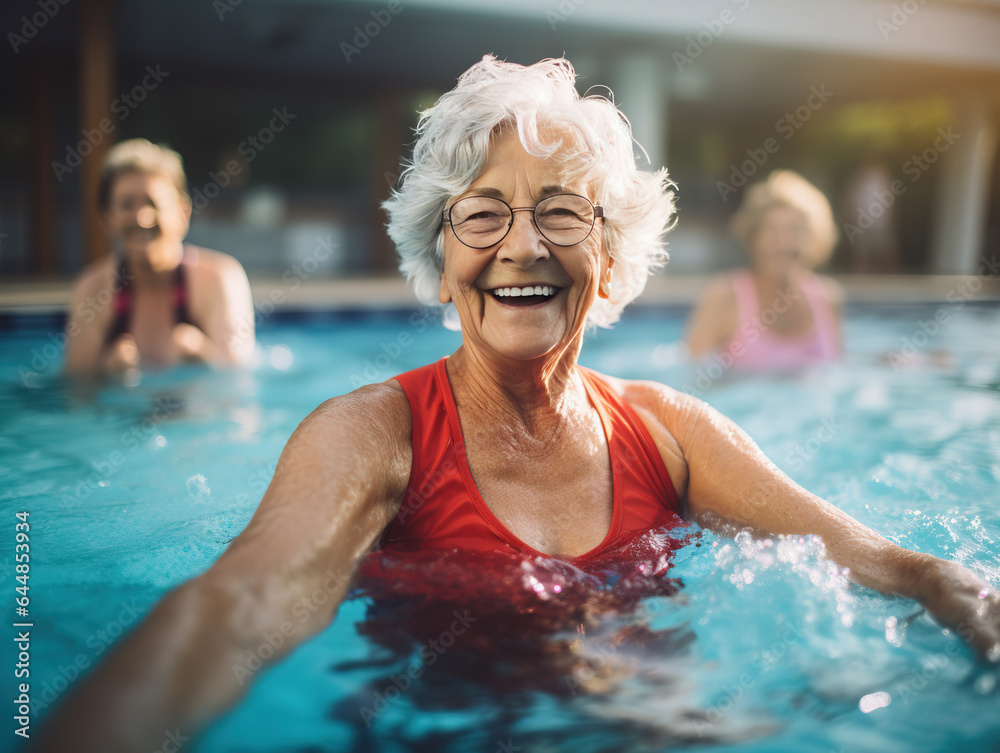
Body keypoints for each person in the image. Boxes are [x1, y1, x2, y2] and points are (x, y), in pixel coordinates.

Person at [36, 57, 998, 752]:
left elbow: (878, 559)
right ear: (441, 256)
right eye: (484, 213)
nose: (524, 247)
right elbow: (237, 604)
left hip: (651, 725)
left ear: (610, 256)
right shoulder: (375, 433)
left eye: (563, 211)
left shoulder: (668, 430)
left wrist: (953, 584)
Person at [63, 139, 255, 376]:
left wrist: (202, 355)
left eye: (153, 204)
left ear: (182, 213)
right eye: (126, 205)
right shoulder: (91, 290)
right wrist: (106, 373)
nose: (142, 218)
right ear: (107, 218)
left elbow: (241, 379)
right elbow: (75, 391)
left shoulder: (220, 280)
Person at [686, 170, 843, 372]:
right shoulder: (723, 297)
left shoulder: (827, 299)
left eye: (795, 230)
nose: (784, 243)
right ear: (753, 238)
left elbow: (839, 372)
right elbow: (689, 378)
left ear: (813, 237)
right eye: (773, 231)